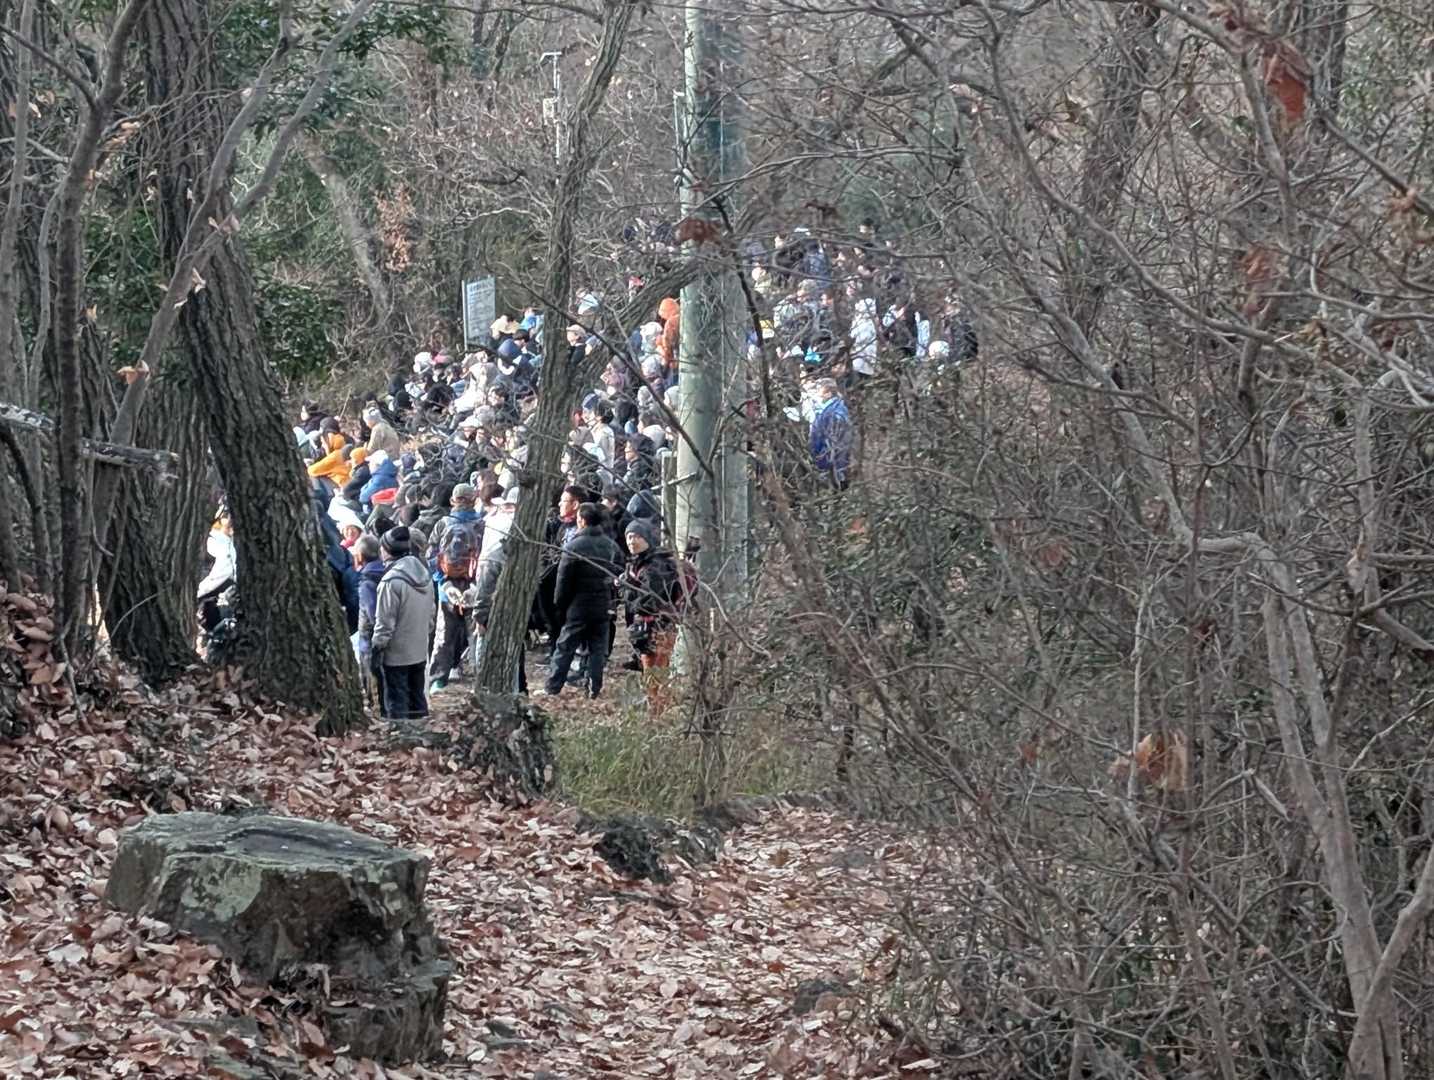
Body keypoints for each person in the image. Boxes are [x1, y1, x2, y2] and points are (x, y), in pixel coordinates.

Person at [543, 503, 622, 699]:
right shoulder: (611, 546)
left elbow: (563, 581)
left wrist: (560, 605)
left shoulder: (573, 547)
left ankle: (553, 686)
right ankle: (594, 687)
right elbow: (619, 574)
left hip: (577, 605)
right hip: (602, 604)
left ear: (582, 521)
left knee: (565, 647)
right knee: (597, 648)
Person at [370, 527, 436, 720]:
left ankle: (401, 736)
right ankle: (422, 733)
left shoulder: (390, 582)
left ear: (388, 550)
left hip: (396, 655)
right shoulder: (425, 575)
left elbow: (384, 624)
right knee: (417, 698)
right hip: (419, 649)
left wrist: (377, 648)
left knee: (397, 702)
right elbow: (431, 614)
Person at [619, 518, 681, 712]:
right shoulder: (638, 563)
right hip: (650, 627)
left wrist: (627, 593)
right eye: (629, 537)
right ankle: (657, 711)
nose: (632, 541)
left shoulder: (655, 566)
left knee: (656, 674)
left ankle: (658, 714)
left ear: (647, 539)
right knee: (652, 673)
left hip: (658, 627)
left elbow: (650, 600)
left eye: (637, 536)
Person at [428, 483, 484, 691]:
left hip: (447, 584)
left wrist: (441, 580)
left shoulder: (443, 524)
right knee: (476, 633)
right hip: (475, 585)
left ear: (453, 501)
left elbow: (431, 555)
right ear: (474, 500)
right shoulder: (482, 525)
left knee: (444, 633)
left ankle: (438, 679)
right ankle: (481, 679)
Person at [353, 534, 384, 706]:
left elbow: (372, 612)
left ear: (360, 556)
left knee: (373, 677)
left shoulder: (367, 581)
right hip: (390, 634)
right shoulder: (387, 572)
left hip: (370, 640)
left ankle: (376, 707)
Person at [809, 377, 852, 489]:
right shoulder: (825, 410)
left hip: (833, 470)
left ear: (828, 394)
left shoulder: (835, 414)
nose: (815, 394)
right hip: (828, 466)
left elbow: (833, 445)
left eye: (818, 390)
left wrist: (823, 465)